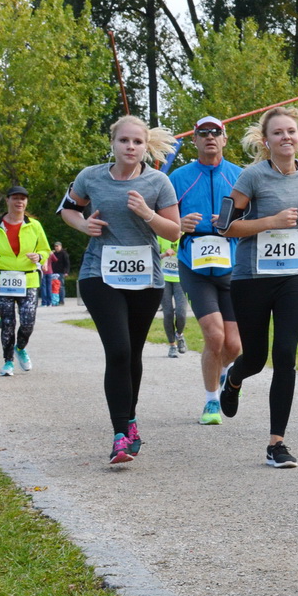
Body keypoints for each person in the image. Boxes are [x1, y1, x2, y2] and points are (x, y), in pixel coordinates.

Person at [59, 115, 182, 464]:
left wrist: (146, 213)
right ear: (112, 143)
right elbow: (67, 210)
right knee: (118, 350)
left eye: (137, 142)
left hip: (146, 278)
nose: (130, 147)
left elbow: (173, 232)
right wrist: (84, 225)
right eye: (124, 141)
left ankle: (130, 421)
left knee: (133, 354)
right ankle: (118, 436)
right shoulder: (91, 176)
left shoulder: (159, 182)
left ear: (146, 146)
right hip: (100, 273)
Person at [220, 106, 298, 469]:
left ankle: (277, 443)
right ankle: (233, 378)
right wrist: (270, 222)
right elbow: (226, 227)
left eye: (291, 131)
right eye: (278, 133)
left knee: (286, 355)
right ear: (266, 141)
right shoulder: (251, 176)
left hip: (293, 276)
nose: (285, 138)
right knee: (256, 359)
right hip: (251, 277)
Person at [170, 115, 244, 424]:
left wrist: (233, 226)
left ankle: (224, 372)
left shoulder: (240, 177)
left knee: (235, 345)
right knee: (214, 338)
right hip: (195, 265)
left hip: (231, 266)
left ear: (225, 139)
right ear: (195, 140)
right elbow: (162, 223)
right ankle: (211, 401)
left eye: (216, 132)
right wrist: (179, 225)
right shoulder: (178, 178)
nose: (210, 137)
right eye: (204, 133)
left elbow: (254, 221)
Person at [0, 185, 50, 376]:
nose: (19, 202)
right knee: (7, 323)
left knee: (28, 322)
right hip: (3, 279)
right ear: (8, 201)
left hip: (28, 280)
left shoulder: (34, 225)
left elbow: (45, 249)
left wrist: (39, 257)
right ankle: (8, 361)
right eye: (15, 198)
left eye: (23, 199)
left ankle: (20, 347)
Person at [159, 235, 187, 356]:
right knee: (168, 313)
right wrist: (164, 255)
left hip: (181, 279)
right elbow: (152, 257)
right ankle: (172, 345)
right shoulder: (160, 236)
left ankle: (179, 335)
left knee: (181, 313)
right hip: (163, 279)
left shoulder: (186, 236)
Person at [50, 240, 71, 305]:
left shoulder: (64, 253)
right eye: (55, 246)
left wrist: (66, 272)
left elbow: (67, 263)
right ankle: (55, 300)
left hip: (61, 272)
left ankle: (61, 300)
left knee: (61, 286)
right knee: (53, 287)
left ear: (60, 246)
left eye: (57, 246)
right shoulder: (54, 254)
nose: (56, 247)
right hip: (53, 272)